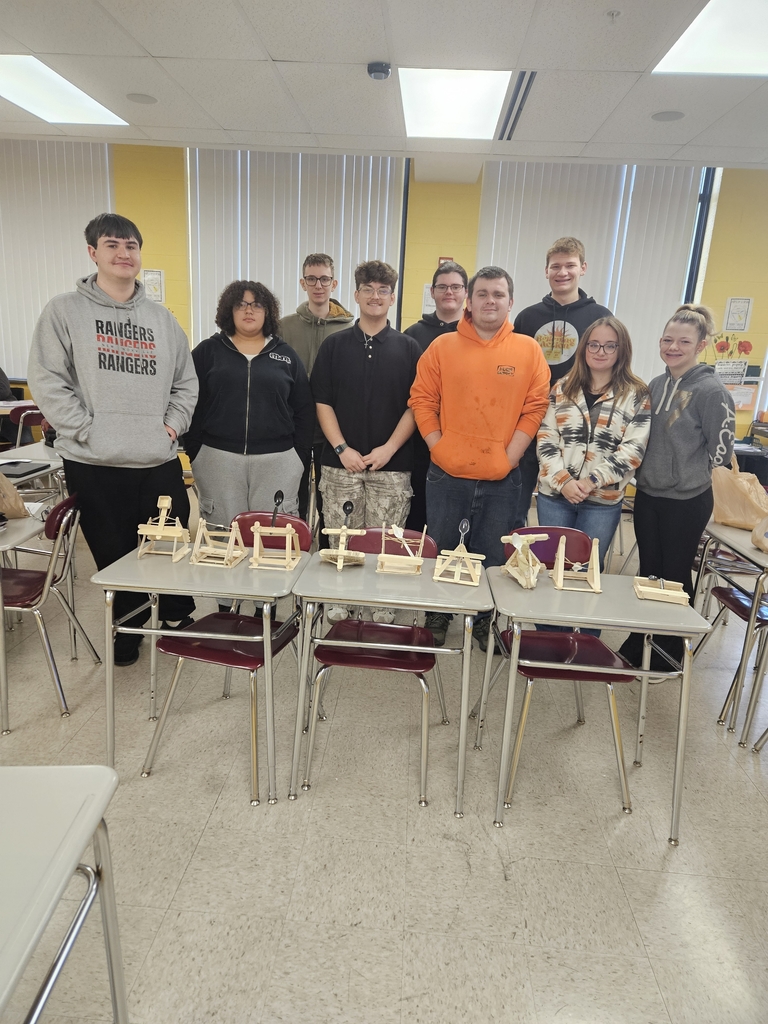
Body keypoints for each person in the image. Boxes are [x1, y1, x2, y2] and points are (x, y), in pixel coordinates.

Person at [27, 212, 198, 666]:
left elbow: (186, 383)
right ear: (93, 253)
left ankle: (176, 614)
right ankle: (128, 628)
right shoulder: (64, 311)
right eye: (112, 245)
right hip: (95, 461)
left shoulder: (162, 320)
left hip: (156, 459)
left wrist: (172, 425)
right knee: (113, 551)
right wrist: (86, 429)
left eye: (131, 246)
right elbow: (46, 380)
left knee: (171, 543)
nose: (124, 254)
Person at [409, 266, 550, 649]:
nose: (490, 301)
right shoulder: (442, 347)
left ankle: (486, 621)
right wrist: (439, 447)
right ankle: (438, 614)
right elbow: (422, 400)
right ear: (469, 301)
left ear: (510, 301)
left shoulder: (528, 350)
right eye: (483, 294)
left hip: (503, 476)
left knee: (492, 554)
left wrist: (509, 458)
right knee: (443, 548)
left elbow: (535, 408)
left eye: (498, 294)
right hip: (446, 473)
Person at [618, 304, 735, 669]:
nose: (673, 347)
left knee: (675, 575)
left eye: (684, 341)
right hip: (649, 495)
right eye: (667, 340)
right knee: (647, 571)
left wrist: (686, 470)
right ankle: (640, 640)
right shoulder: (656, 384)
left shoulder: (711, 391)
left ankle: (669, 653)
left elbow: (722, 451)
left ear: (700, 345)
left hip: (687, 499)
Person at [311, 259, 421, 622]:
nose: (376, 296)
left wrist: (389, 449)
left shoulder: (409, 348)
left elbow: (417, 406)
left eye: (383, 290)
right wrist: (342, 448)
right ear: (356, 295)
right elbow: (322, 401)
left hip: (392, 467)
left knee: (386, 539)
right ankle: (340, 599)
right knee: (341, 538)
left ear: (392, 298)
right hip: (340, 464)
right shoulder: (334, 345)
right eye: (368, 289)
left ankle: (381, 603)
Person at [184, 280, 313, 528]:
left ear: (268, 312)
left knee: (273, 536)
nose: (249, 310)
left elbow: (304, 410)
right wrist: (196, 452)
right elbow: (191, 402)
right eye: (240, 304)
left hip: (278, 461)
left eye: (257, 305)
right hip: (218, 459)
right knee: (222, 536)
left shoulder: (286, 355)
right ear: (229, 311)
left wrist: (298, 456)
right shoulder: (208, 352)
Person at [512, 237, 612, 529]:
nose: (562, 272)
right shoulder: (528, 318)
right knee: (516, 504)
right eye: (556, 266)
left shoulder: (600, 317)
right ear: (546, 271)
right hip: (529, 422)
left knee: (569, 506)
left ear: (583, 268)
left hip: (576, 430)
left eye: (570, 265)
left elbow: (610, 369)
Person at [536, 316, 650, 568]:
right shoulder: (562, 388)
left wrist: (591, 482)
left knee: (585, 571)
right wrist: (564, 481)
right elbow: (546, 438)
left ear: (622, 350)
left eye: (610, 346)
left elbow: (633, 450)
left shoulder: (636, 394)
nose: (601, 352)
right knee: (549, 568)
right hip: (555, 495)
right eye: (594, 344)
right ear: (584, 348)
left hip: (601, 501)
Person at [280, 254, 353, 530]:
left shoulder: (349, 329)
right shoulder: (284, 327)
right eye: (311, 279)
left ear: (334, 283)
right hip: (293, 427)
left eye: (324, 279)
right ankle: (294, 545)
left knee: (329, 500)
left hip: (332, 431)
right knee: (292, 496)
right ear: (303, 283)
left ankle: (325, 547)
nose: (318, 285)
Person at [404, 261, 468, 532]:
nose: (449, 292)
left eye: (455, 286)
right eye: (442, 287)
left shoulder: (477, 334)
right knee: (418, 516)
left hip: (463, 438)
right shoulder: (412, 336)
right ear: (432, 292)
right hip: (421, 441)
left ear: (465, 292)